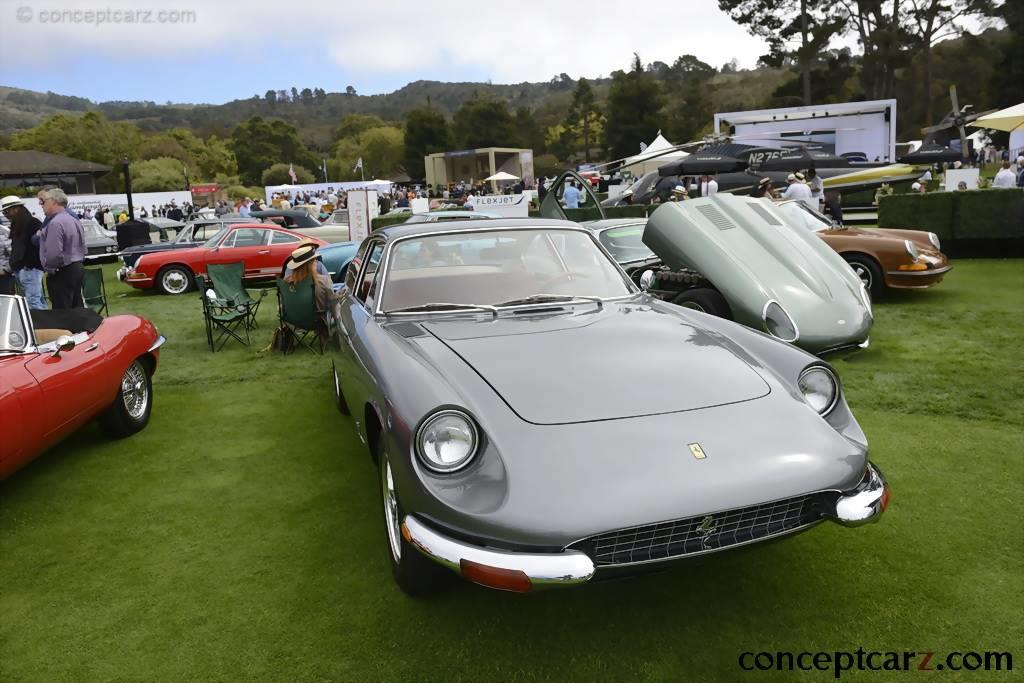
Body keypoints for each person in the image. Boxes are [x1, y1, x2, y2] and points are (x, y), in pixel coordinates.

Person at [38, 188, 86, 309]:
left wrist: (49, 268)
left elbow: (54, 254)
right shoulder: (73, 220)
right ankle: (78, 328)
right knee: (76, 308)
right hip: (76, 267)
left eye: (43, 201)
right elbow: (82, 245)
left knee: (62, 312)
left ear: (53, 201)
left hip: (62, 271)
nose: (41, 205)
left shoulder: (55, 223)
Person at [1, 196, 46, 308]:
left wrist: (26, 264)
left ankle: (39, 325)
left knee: (33, 301)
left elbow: (35, 246)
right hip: (22, 269)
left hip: (29, 268)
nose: (5, 214)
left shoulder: (32, 222)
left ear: (16, 208)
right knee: (33, 300)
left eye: (7, 211)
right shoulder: (17, 223)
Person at [283, 244, 339, 317]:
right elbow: (332, 304)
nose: (316, 262)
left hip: (294, 320)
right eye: (314, 259)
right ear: (311, 264)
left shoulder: (287, 283)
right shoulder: (323, 280)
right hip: (318, 321)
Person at [0, 226, 13, 295]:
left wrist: (6, 270)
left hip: (3, 276)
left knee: (5, 301)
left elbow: (13, 253)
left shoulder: (4, 231)